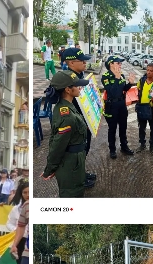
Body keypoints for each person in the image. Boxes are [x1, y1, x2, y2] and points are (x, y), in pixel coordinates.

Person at [43, 70, 90, 198]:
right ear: (68, 90)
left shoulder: (68, 106)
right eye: (77, 85)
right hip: (70, 165)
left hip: (74, 162)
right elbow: (57, 145)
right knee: (72, 195)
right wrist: (50, 169)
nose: (80, 88)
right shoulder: (66, 115)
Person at [61, 47, 97, 188]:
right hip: (76, 123)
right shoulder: (68, 79)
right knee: (77, 151)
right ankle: (76, 180)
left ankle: (81, 173)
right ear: (70, 63)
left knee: (84, 149)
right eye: (81, 61)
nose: (84, 63)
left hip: (84, 121)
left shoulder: (79, 76)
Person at [101, 56, 136, 158]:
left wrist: (130, 83)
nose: (120, 65)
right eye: (118, 63)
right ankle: (112, 149)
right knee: (112, 128)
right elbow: (112, 92)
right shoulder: (105, 76)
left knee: (123, 127)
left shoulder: (121, 75)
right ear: (111, 64)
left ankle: (124, 146)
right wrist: (116, 78)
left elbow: (123, 89)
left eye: (120, 63)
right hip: (112, 105)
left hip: (121, 104)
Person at [136, 64, 153, 151]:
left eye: (151, 71)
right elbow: (138, 89)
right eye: (147, 70)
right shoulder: (142, 80)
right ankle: (142, 144)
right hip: (142, 108)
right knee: (141, 128)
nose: (148, 72)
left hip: (152, 109)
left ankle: (152, 146)